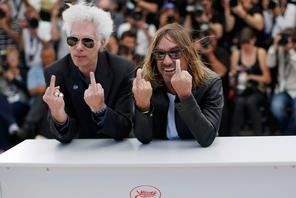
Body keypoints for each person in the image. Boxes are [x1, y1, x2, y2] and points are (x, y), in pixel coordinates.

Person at [42, 2, 134, 143]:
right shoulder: (55, 73)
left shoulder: (123, 70)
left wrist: (100, 109)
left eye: (88, 41)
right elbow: (66, 137)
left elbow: (124, 129)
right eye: (73, 40)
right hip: (78, 154)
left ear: (102, 43)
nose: (79, 47)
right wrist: (59, 115)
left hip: (115, 150)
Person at [132, 23, 223, 147]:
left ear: (188, 54)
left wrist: (185, 96)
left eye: (175, 53)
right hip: (158, 155)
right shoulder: (147, 84)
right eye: (160, 54)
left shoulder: (210, 83)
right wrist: (143, 107)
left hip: (196, 156)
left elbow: (206, 138)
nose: (167, 61)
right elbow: (144, 138)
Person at [267, 28, 296, 135]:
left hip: (295, 90)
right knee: (276, 109)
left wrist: (291, 51)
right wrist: (274, 45)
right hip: (281, 89)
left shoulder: (293, 51)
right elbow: (270, 64)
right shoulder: (279, 49)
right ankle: (288, 131)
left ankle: (287, 134)